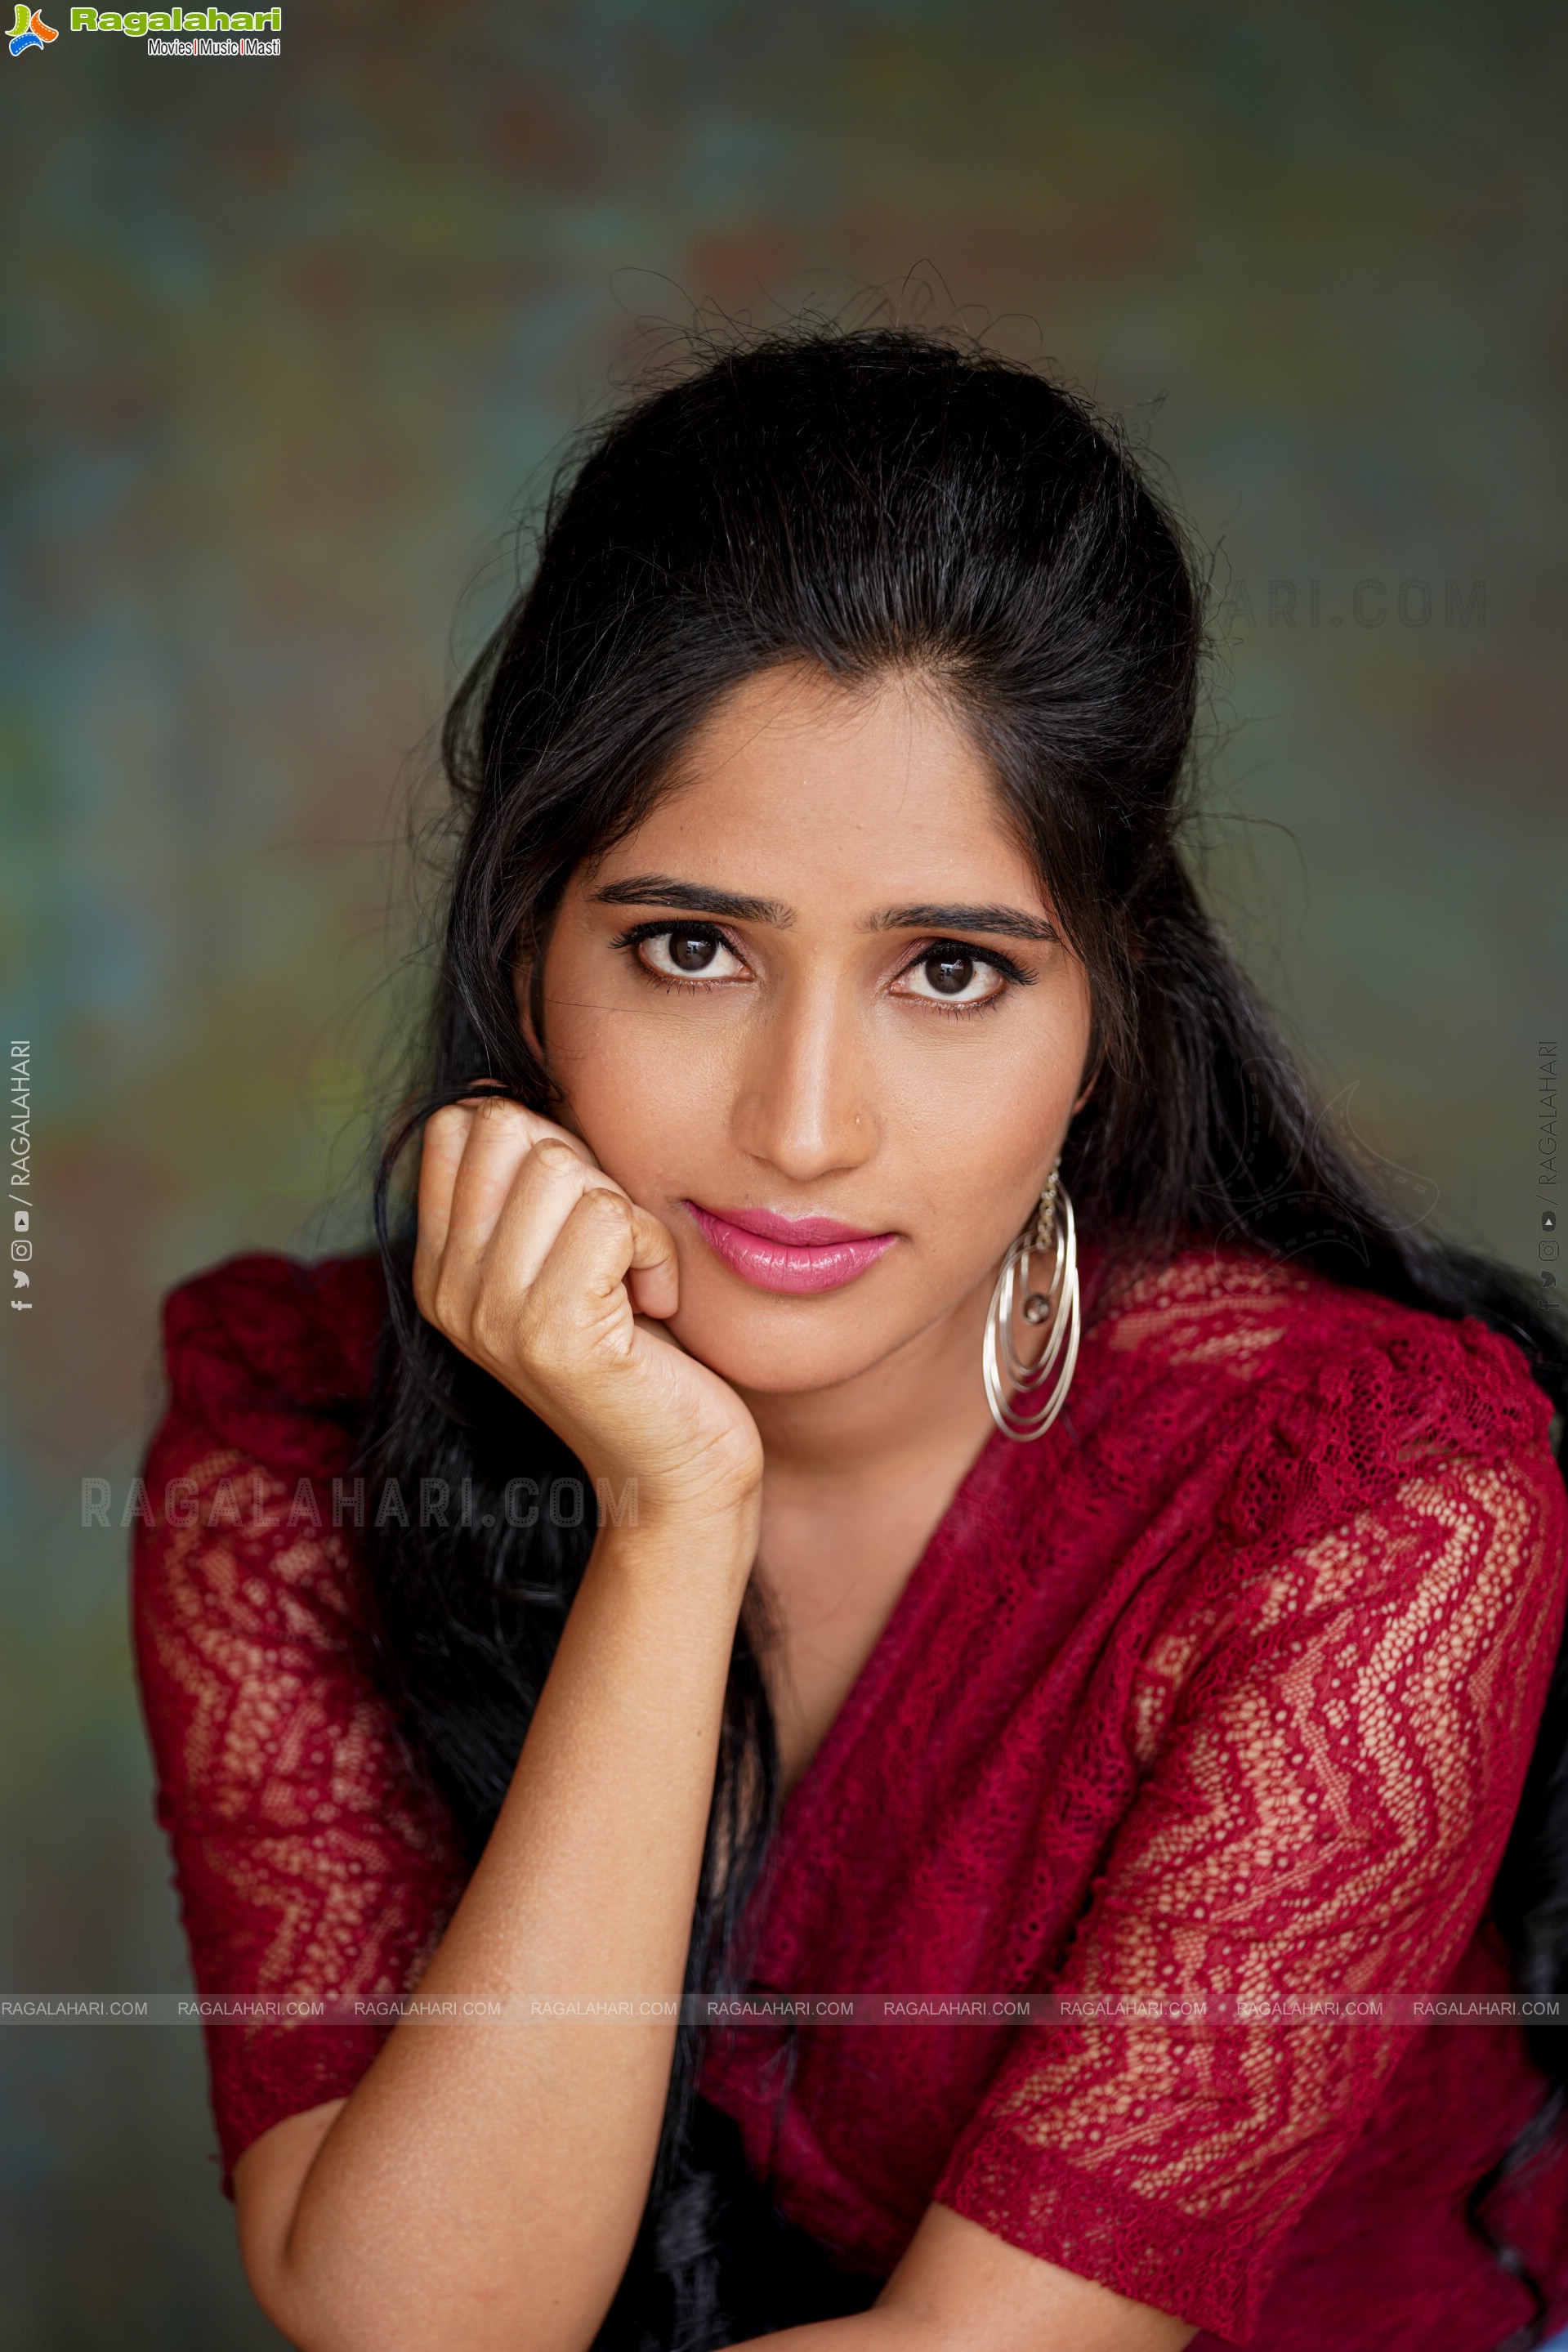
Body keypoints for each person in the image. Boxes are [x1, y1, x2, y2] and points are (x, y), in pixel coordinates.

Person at [132, 325, 1568, 2352]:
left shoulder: (1373, 1502)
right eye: (692, 946)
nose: (804, 1125)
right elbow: (427, 2321)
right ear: (530, 946)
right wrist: (670, 1509)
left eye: (953, 969)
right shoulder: (287, 1436)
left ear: (1105, 1020)